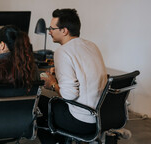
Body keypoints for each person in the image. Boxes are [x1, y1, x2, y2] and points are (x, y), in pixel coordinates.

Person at [38, 8, 107, 143]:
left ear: (64, 31)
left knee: (38, 105)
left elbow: (69, 95)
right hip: (102, 117)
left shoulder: (62, 52)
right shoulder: (91, 45)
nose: (49, 32)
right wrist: (59, 71)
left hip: (82, 121)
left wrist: (52, 84)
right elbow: (84, 73)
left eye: (52, 28)